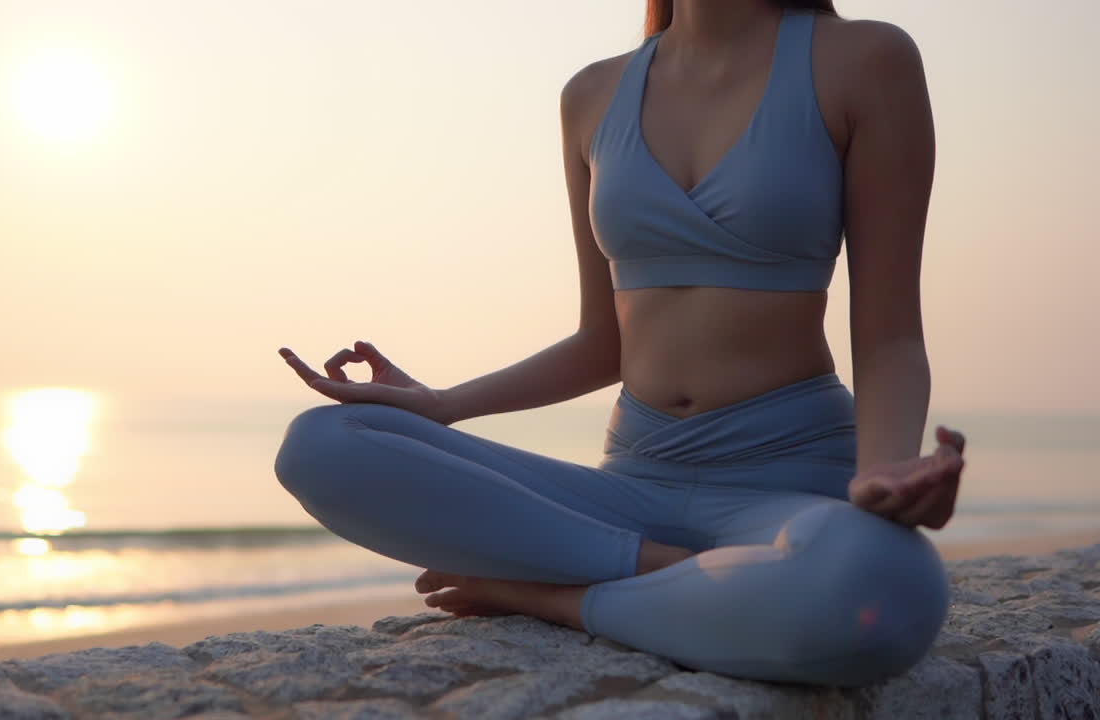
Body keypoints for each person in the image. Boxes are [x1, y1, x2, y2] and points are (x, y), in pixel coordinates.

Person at [273, 0, 967, 688]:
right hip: (633, 482)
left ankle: (551, 596)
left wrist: (882, 471)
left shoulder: (866, 60)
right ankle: (676, 576)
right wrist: (443, 404)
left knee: (889, 584)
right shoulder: (592, 94)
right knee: (323, 443)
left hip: (790, 479)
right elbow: (602, 342)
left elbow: (890, 337)